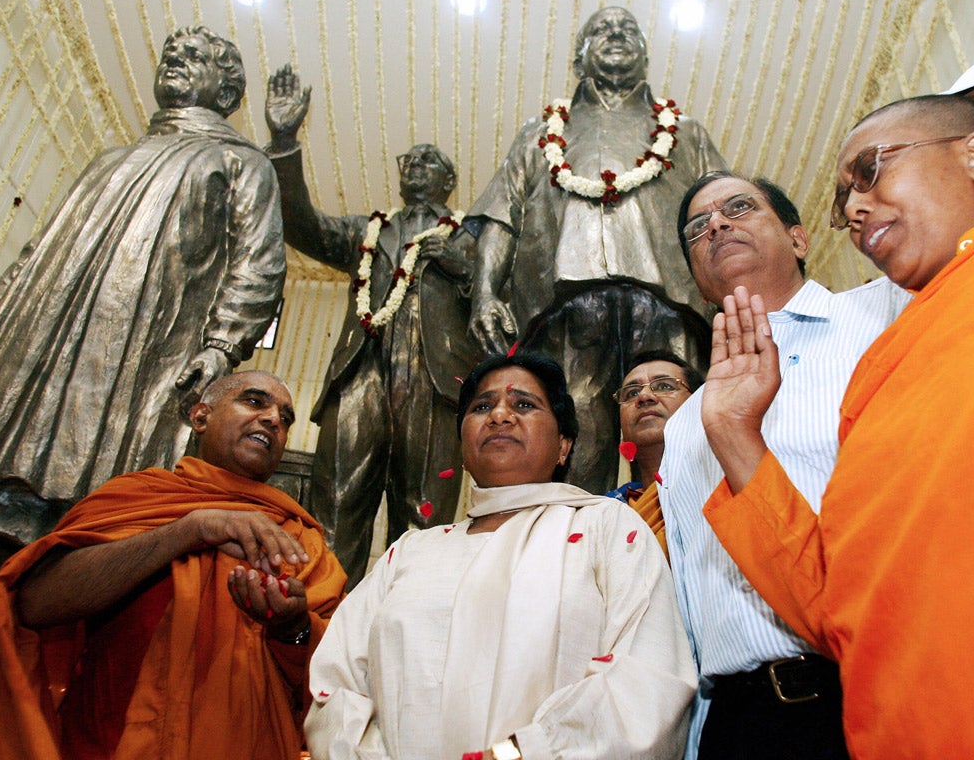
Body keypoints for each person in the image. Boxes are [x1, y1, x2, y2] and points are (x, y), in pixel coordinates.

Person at [699, 95, 974, 758]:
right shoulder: (879, 371)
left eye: (869, 171)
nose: (854, 212)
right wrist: (738, 437)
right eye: (842, 201)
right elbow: (838, 608)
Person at [305, 352, 696, 760]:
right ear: (461, 447)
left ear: (564, 445)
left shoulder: (609, 528)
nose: (500, 416)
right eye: (482, 407)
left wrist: (523, 753)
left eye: (524, 404)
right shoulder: (411, 551)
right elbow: (337, 684)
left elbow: (648, 677)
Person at [0, 26, 285, 504]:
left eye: (195, 56)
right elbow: (37, 252)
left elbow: (258, 265)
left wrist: (221, 345)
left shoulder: (240, 161)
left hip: (145, 348)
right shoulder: (110, 158)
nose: (175, 59)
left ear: (225, 91)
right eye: (171, 53)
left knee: (96, 489)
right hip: (37, 334)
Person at [0, 370, 347, 759]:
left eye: (285, 419)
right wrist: (190, 530)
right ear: (200, 418)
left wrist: (293, 627)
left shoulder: (300, 540)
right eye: (254, 402)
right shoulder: (135, 497)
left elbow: (339, 679)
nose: (272, 420)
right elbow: (35, 604)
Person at [658, 172, 910, 759]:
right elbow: (693, 597)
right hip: (739, 721)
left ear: (798, 239)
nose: (717, 224)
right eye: (698, 228)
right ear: (696, 282)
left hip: (874, 686)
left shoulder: (888, 314)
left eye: (739, 208)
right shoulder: (684, 421)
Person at [465, 6, 726, 494]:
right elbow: (502, 215)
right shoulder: (539, 132)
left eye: (628, 29)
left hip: (670, 302)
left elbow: (722, 212)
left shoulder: (686, 132)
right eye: (601, 30)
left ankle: (685, 554)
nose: (615, 35)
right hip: (566, 303)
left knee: (681, 432)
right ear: (578, 56)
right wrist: (483, 292)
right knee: (578, 438)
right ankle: (578, 556)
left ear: (646, 57)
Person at [266, 65, 480, 587]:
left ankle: (405, 633)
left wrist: (462, 265)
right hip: (361, 372)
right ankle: (320, 625)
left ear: (449, 180)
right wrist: (284, 140)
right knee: (336, 504)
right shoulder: (368, 231)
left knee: (422, 517)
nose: (417, 166)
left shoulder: (470, 236)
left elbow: (504, 298)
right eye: (411, 160)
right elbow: (301, 223)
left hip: (435, 383)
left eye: (429, 161)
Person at [606, 349, 702, 560]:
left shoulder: (723, 492)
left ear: (699, 404)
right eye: (631, 393)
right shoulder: (605, 513)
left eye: (664, 386)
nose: (644, 396)